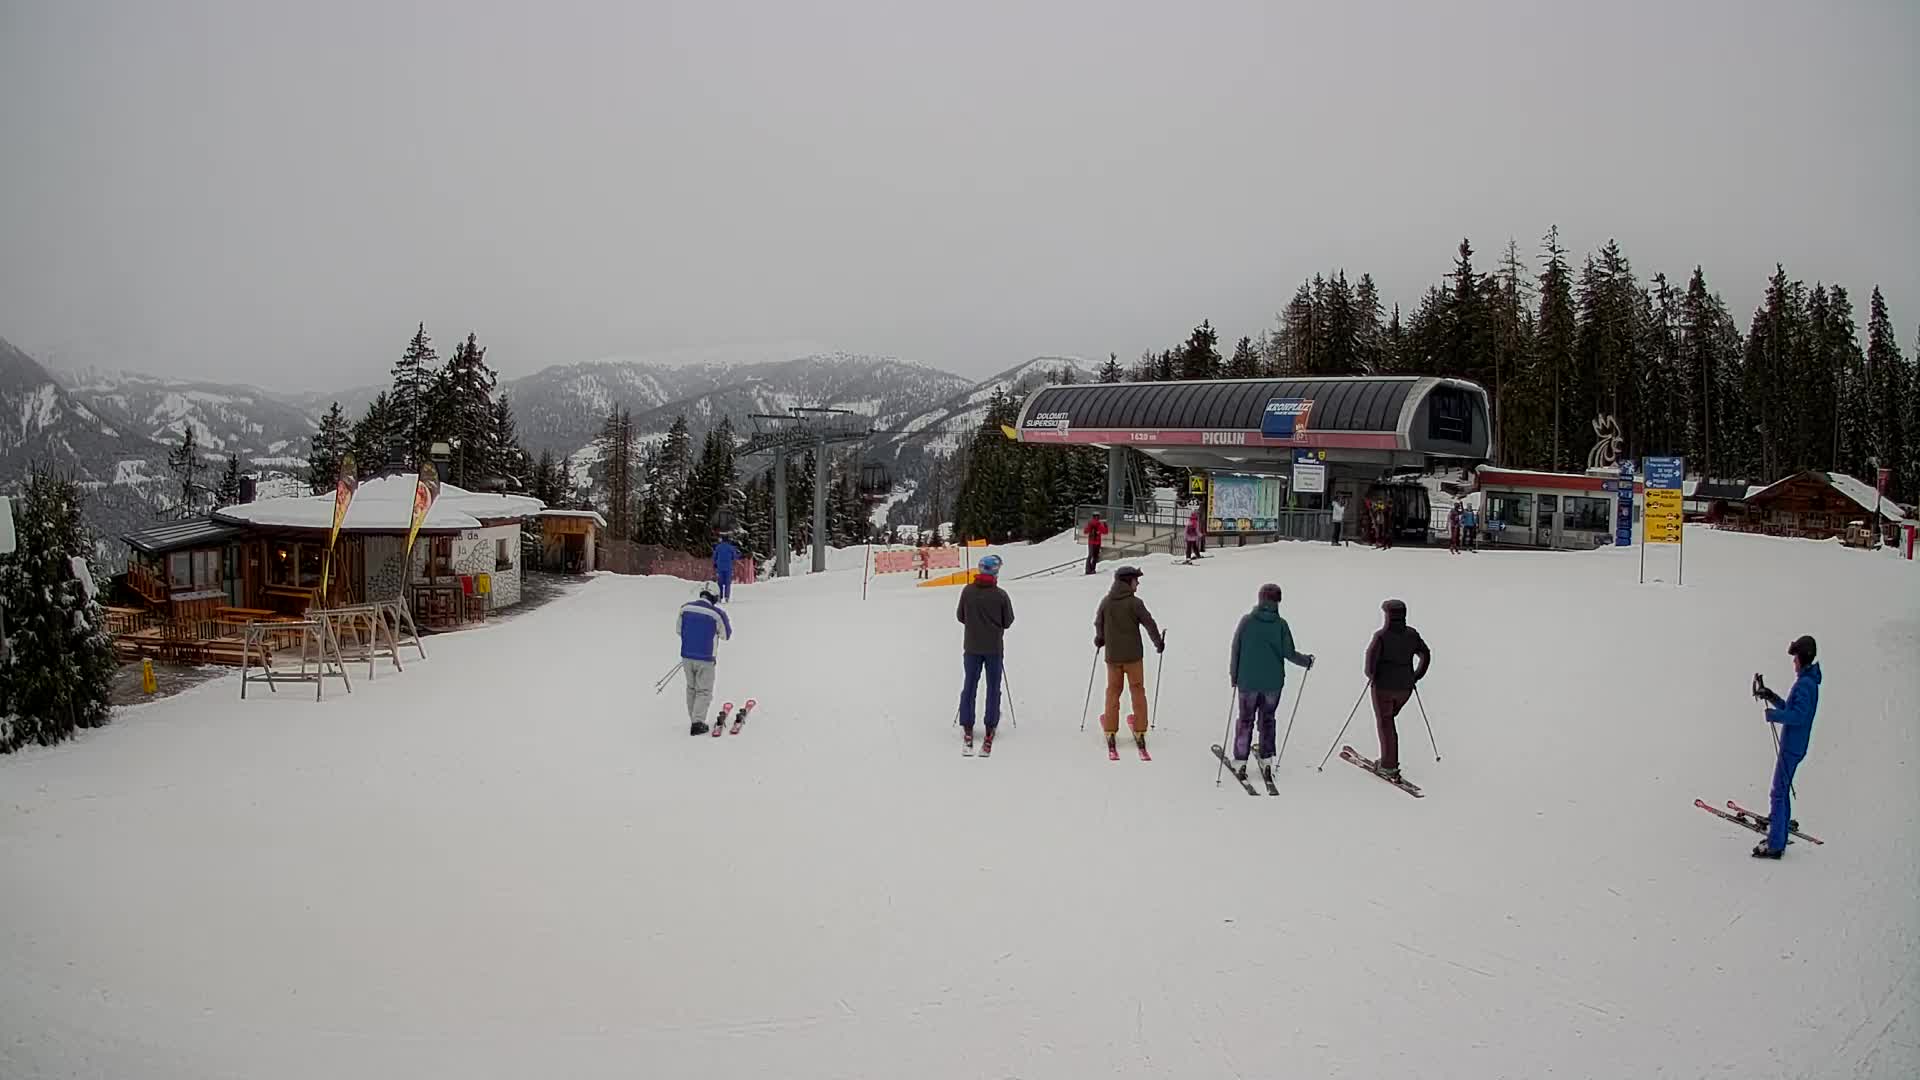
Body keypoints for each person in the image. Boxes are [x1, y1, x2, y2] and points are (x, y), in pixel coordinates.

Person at [1227, 583, 1314, 783]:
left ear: (1260, 599)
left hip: (1247, 682)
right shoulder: (1281, 625)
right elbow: (1289, 653)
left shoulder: (1247, 622)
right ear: (1277, 602)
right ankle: (1267, 759)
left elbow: (1236, 649)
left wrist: (1234, 675)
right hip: (1273, 684)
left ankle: (1240, 761)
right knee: (1267, 720)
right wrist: (1306, 661)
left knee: (1245, 720)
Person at [1751, 636, 1821, 858]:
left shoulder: (1805, 685)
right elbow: (1791, 708)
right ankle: (1779, 828)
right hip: (1795, 744)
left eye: (1795, 659)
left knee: (1778, 793)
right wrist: (1770, 696)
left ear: (1801, 658)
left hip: (1792, 746)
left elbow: (1798, 716)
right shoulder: (1807, 683)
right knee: (1781, 790)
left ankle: (1775, 844)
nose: (1793, 663)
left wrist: (1773, 715)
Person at [1094, 565, 1164, 755]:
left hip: (1113, 657)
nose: (1138, 583)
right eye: (1136, 580)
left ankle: (1110, 727)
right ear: (1127, 582)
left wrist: (1100, 638)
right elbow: (1149, 623)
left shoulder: (1106, 602)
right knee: (1137, 690)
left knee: (1113, 691)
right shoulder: (1135, 603)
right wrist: (1158, 642)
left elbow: (1098, 622)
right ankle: (1140, 727)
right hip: (1133, 657)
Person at [1363, 598, 1430, 783]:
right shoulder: (1412, 635)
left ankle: (1388, 765)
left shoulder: (1381, 637)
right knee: (1390, 719)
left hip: (1384, 688)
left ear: (1388, 615)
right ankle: (1388, 761)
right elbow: (1426, 654)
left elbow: (1370, 666)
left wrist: (1372, 675)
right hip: (1405, 689)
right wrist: (1416, 675)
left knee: (1386, 722)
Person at [955, 553, 1015, 754]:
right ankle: (990, 723)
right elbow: (1008, 621)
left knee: (969, 685)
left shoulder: (967, 591)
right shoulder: (1000, 595)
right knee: (993, 687)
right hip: (993, 649)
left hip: (971, 647)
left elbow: (960, 616)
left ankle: (967, 723)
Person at [678, 583, 734, 735]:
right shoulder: (717, 614)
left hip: (686, 656)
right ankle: (697, 723)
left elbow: (679, 630)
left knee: (691, 688)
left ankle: (694, 718)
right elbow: (726, 635)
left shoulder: (685, 608)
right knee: (704, 691)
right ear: (715, 597)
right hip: (706, 657)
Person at [712, 535, 740, 602]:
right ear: (728, 540)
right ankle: (727, 597)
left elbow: (714, 556)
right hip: (728, 567)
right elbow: (735, 557)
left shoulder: (718, 547)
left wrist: (715, 563)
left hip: (720, 567)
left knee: (720, 583)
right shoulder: (731, 548)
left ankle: (720, 597)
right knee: (728, 583)